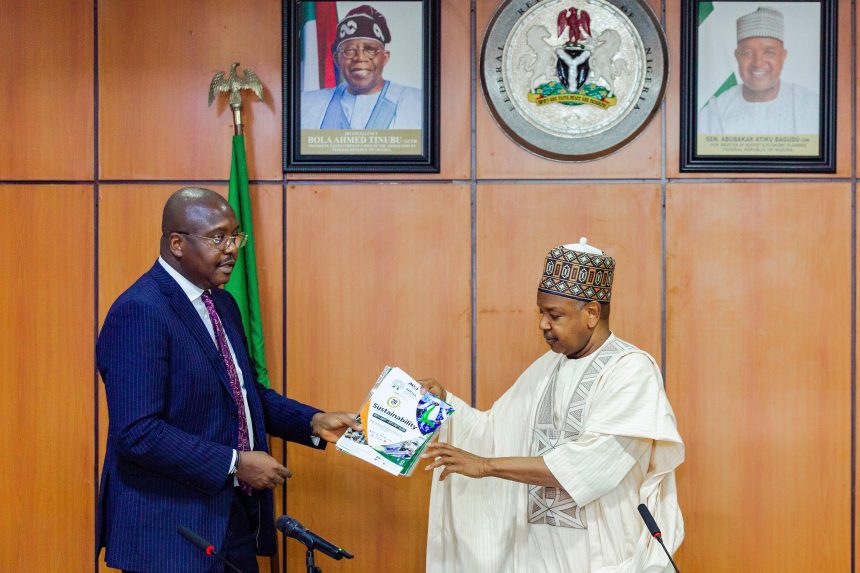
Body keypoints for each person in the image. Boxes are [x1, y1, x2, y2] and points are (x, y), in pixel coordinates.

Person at [96, 187, 359, 573]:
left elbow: (244, 396)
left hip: (230, 524)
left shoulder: (222, 303)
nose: (233, 247)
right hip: (170, 538)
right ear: (177, 243)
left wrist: (312, 422)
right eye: (219, 237)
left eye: (236, 236)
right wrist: (235, 464)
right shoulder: (140, 311)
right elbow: (137, 432)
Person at [422, 239, 684, 572]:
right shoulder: (548, 368)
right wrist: (445, 403)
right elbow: (493, 430)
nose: (543, 325)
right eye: (541, 313)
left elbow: (589, 465)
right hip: (538, 555)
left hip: (602, 556)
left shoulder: (631, 370)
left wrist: (486, 466)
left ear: (591, 313)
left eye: (554, 315)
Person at [699, 6, 818, 135]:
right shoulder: (716, 110)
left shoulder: (810, 105)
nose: (758, 63)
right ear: (737, 56)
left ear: (783, 56)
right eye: (747, 53)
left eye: (769, 52)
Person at [300, 4, 423, 130]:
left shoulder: (418, 103)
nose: (360, 57)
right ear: (337, 60)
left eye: (370, 50)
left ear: (384, 58)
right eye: (349, 50)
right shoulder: (308, 105)